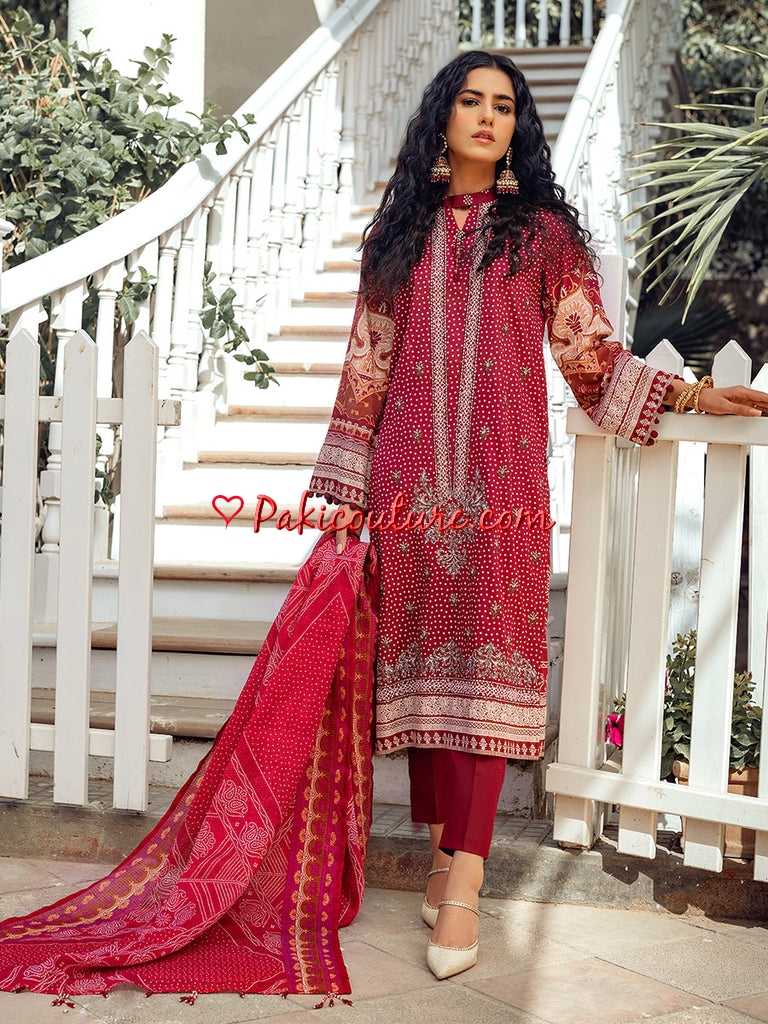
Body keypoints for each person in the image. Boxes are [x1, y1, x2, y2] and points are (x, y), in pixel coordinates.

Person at [308, 48, 768, 981]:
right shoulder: (397, 235)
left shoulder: (543, 235)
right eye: (471, 101)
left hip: (504, 486)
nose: (489, 117)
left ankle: (468, 881)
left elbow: (591, 358)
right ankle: (441, 856)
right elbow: (368, 362)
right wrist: (348, 486)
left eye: (505, 106)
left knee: (490, 676)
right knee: (424, 683)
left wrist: (690, 394)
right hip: (407, 486)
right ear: (442, 120)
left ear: (519, 127)